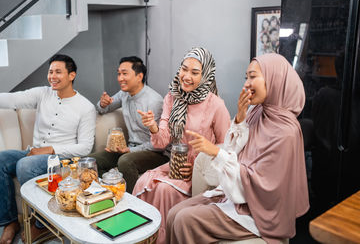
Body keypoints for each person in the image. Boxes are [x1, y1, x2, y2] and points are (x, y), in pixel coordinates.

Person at [166, 53, 309, 244]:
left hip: (259, 211)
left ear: (275, 79)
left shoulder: (286, 132)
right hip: (238, 196)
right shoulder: (257, 113)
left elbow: (261, 186)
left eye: (253, 76)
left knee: (184, 220)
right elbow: (234, 153)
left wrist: (215, 152)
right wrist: (240, 119)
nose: (247, 84)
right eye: (246, 77)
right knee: (173, 212)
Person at [0, 54, 96, 244]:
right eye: (50, 71)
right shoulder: (43, 93)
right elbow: (15, 98)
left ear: (71, 75)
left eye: (58, 72)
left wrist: (50, 150)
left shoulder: (86, 107)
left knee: (26, 166)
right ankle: (10, 223)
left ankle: (41, 224)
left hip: (61, 159)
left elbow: (85, 147)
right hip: (32, 152)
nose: (52, 76)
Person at [134, 47, 230, 244]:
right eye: (184, 69)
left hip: (202, 171)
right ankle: (143, 238)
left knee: (164, 191)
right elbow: (162, 141)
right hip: (176, 163)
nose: (186, 76)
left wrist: (198, 167)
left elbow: (225, 148)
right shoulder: (173, 96)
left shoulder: (216, 105)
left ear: (206, 76)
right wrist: (153, 126)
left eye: (195, 73)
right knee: (144, 181)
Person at [90, 56, 166, 193]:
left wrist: (130, 150)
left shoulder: (154, 101)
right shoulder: (124, 94)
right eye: (119, 74)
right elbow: (104, 108)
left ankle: (132, 203)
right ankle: (108, 194)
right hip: (129, 149)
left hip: (154, 152)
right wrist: (102, 103)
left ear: (139, 76)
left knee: (125, 161)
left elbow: (160, 144)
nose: (120, 78)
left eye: (125, 74)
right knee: (92, 161)